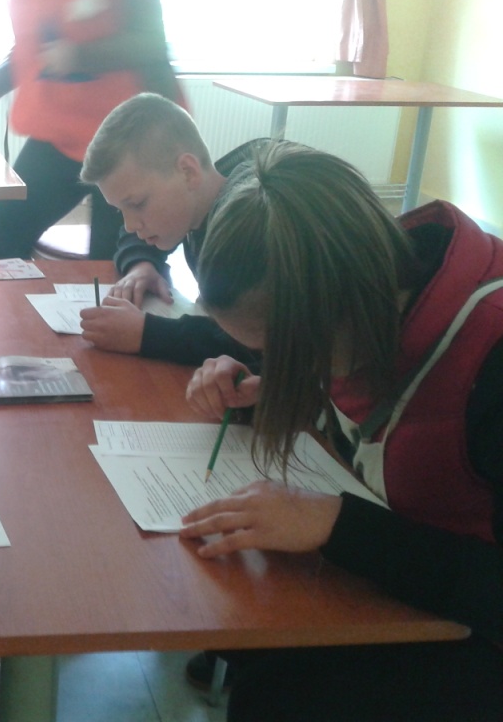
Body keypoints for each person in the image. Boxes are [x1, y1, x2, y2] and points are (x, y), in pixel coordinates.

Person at [177, 141, 503, 721]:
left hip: (478, 628)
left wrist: (337, 524)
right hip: (415, 573)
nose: (276, 362)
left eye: (281, 348)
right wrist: (274, 391)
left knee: (277, 692)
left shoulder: (491, 361)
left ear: (334, 309)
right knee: (240, 616)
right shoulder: (375, 296)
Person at [0, 0, 184, 260]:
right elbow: (29, 46)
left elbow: (151, 43)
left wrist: (79, 55)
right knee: (0, 234)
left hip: (129, 141)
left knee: (115, 262)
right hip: (61, 136)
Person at [77, 92, 261, 366]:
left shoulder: (251, 227)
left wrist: (147, 334)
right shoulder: (208, 191)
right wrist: (142, 264)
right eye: (120, 210)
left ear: (187, 172)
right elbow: (137, 231)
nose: (129, 224)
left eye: (137, 204)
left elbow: (256, 344)